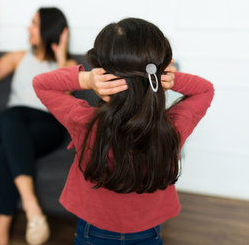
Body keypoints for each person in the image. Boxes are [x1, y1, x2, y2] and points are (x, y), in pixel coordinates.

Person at [33, 17, 214, 244]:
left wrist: (86, 79)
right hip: (148, 232)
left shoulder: (84, 123)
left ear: (103, 72)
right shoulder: (170, 129)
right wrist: (169, 78)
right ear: (160, 70)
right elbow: (205, 90)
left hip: (94, 231)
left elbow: (41, 83)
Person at [0, 7, 76, 245]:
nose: (28, 27)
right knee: (10, 117)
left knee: (4, 150)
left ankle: (0, 234)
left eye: (34, 23)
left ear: (48, 29)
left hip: (45, 128)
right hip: (10, 121)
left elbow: (64, 101)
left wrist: (60, 59)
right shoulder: (18, 57)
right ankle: (31, 206)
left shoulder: (68, 63)